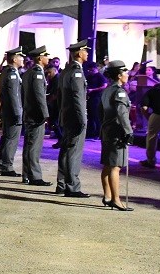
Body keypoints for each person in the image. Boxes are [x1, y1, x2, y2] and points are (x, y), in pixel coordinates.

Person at [56, 40, 91, 198]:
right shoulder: (76, 71)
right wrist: (82, 118)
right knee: (74, 152)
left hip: (67, 115)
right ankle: (72, 186)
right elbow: (78, 97)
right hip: (75, 117)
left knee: (66, 150)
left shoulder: (66, 70)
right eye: (85, 51)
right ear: (79, 53)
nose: (87, 53)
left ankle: (62, 183)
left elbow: (60, 96)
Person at [99, 60, 134, 211]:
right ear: (119, 75)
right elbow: (122, 113)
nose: (127, 75)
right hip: (117, 131)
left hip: (107, 129)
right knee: (115, 167)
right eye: (125, 72)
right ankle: (116, 199)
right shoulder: (120, 91)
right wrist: (128, 131)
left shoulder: (107, 90)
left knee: (108, 164)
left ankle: (107, 196)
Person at [21, 46, 52, 186]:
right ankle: (34, 176)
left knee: (29, 145)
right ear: (40, 58)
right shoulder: (38, 73)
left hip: (29, 112)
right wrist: (45, 114)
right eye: (46, 56)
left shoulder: (29, 72)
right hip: (36, 114)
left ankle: (27, 174)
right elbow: (40, 96)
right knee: (34, 146)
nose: (48, 58)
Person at [0, 46, 24, 177]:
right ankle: (7, 166)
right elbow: (14, 95)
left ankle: (2, 164)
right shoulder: (12, 73)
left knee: (7, 137)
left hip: (7, 110)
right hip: (12, 111)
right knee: (11, 139)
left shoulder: (7, 71)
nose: (22, 59)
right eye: (20, 56)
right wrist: (18, 113)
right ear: (14, 59)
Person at [85, 62, 107, 139]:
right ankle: (90, 132)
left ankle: (99, 133)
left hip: (97, 98)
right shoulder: (89, 76)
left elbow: (104, 86)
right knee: (90, 116)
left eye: (91, 70)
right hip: (89, 98)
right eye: (89, 70)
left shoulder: (100, 76)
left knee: (96, 116)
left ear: (95, 68)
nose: (90, 72)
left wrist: (93, 90)